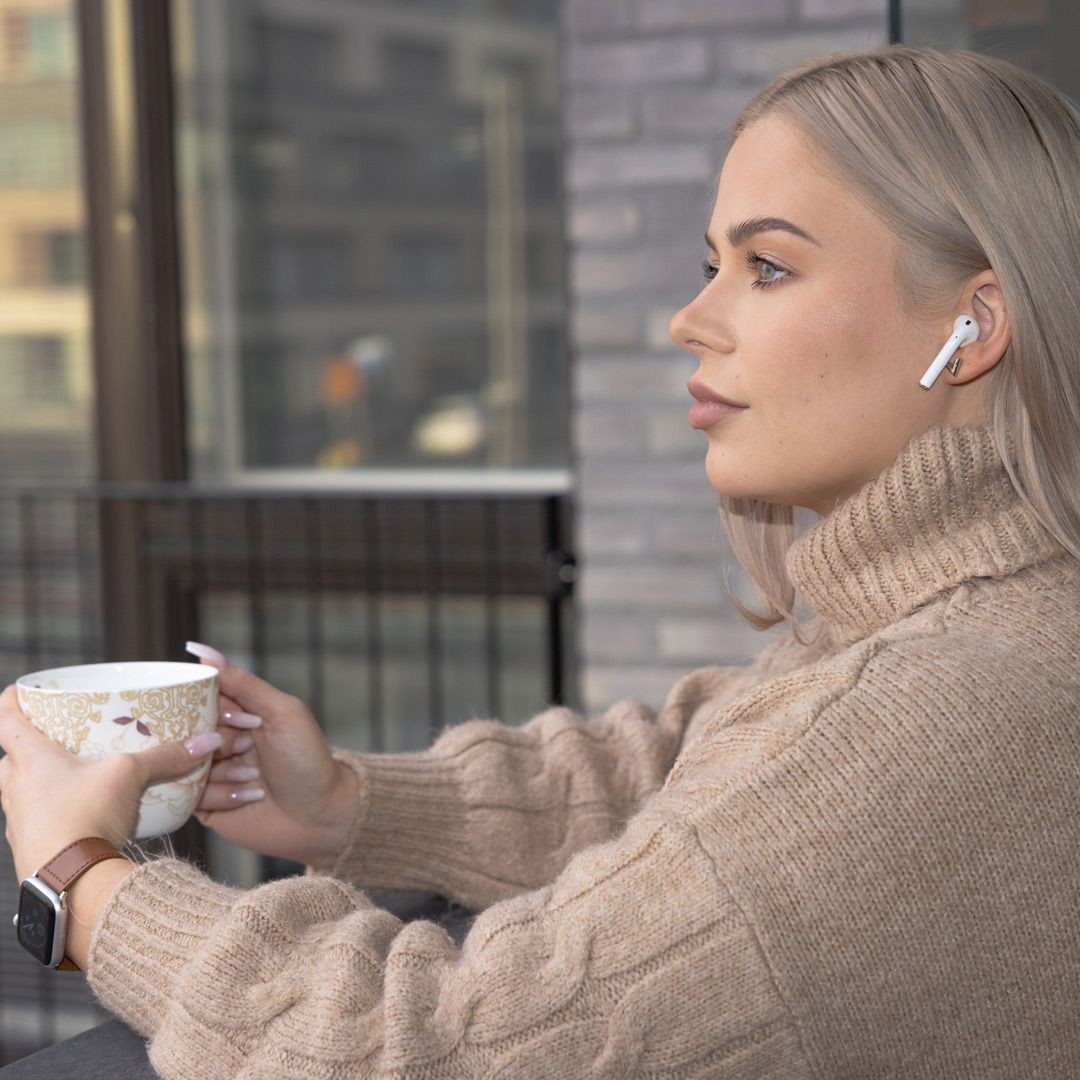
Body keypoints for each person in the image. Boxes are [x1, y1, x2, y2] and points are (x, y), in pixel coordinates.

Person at [2, 42, 1078, 1078]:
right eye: (714, 265)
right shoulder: (958, 628)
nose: (689, 319)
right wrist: (346, 805)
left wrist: (84, 882)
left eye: (769, 266)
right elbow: (679, 778)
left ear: (973, 325)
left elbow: (423, 1051)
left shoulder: (945, 713)